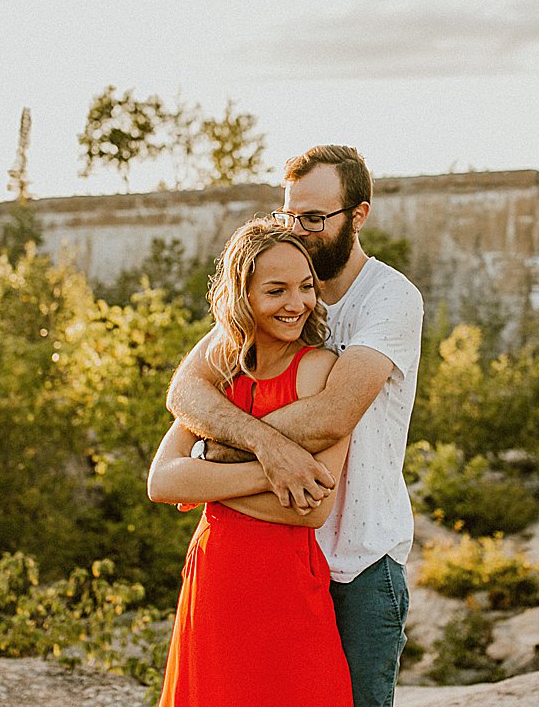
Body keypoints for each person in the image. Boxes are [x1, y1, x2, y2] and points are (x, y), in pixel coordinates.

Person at [166, 145, 424, 707]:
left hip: (356, 562)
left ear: (358, 215)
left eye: (313, 219)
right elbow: (185, 391)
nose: (299, 231)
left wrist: (214, 463)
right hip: (276, 563)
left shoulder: (390, 298)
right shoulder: (272, 293)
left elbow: (333, 414)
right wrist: (264, 448)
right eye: (290, 217)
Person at [147, 219, 354, 706]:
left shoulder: (320, 370)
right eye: (276, 290)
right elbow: (163, 479)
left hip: (285, 585)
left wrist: (211, 477)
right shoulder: (223, 370)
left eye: (305, 287)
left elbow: (313, 507)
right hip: (216, 580)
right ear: (243, 296)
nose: (296, 303)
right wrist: (274, 466)